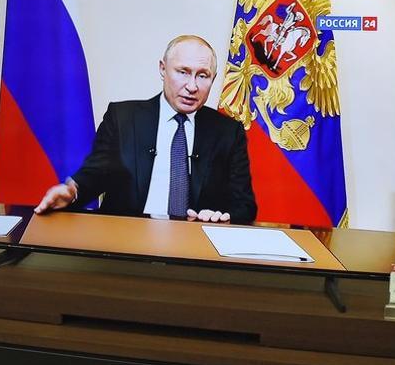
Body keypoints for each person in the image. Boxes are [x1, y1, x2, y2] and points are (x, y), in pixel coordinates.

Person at [35, 35, 257, 225]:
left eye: (202, 75)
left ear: (213, 79)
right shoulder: (122, 117)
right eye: (183, 72)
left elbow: (244, 206)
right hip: (126, 246)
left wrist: (222, 217)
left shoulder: (229, 132)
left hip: (194, 249)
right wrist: (72, 190)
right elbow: (95, 174)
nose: (192, 86)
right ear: (163, 69)